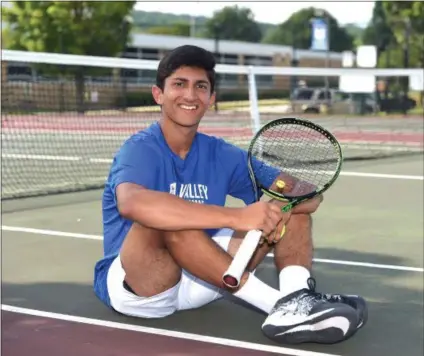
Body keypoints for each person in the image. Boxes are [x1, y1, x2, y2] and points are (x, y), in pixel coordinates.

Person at [93, 45, 367, 345]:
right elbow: (132, 203)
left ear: (211, 99)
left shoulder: (221, 153)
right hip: (142, 287)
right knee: (169, 220)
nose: (189, 95)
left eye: (200, 87)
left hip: (205, 275)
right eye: (179, 84)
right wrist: (239, 216)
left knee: (292, 212)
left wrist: (283, 205)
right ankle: (276, 306)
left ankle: (297, 299)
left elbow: (307, 193)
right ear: (158, 94)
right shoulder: (140, 149)